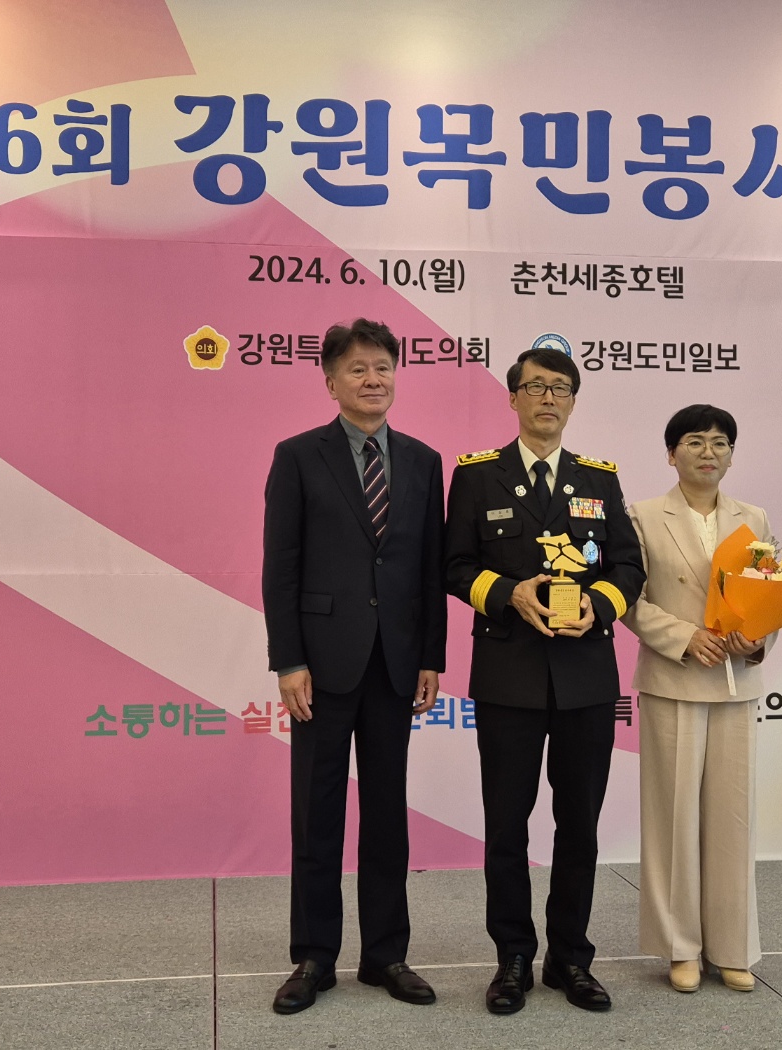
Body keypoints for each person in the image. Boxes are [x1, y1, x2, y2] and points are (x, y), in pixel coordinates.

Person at [445, 347, 645, 1015]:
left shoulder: (599, 479)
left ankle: (570, 958)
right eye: (535, 387)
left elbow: (627, 566)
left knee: (578, 824)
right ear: (513, 398)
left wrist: (600, 606)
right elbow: (454, 565)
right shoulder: (478, 475)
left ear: (573, 401)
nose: (548, 398)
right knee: (506, 825)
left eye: (560, 388)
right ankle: (512, 958)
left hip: (586, 678)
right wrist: (509, 593)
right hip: (508, 676)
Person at [261, 318, 447, 1014]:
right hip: (321, 664)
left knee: (388, 814)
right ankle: (314, 956)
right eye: (358, 370)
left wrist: (431, 656)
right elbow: (280, 568)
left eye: (383, 368)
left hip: (396, 663)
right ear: (331, 382)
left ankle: (386, 954)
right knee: (317, 813)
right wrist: (288, 659)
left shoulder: (424, 460)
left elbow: (430, 569)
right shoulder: (298, 456)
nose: (374, 380)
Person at [622, 404, 775, 994]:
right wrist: (685, 637)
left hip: (736, 684)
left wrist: (756, 639)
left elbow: (772, 593)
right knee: (674, 819)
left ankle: (733, 947)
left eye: (719, 443)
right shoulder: (642, 515)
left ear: (732, 455)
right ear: (671, 454)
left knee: (734, 820)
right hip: (675, 679)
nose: (708, 452)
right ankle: (680, 946)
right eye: (694, 441)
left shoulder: (753, 518)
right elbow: (628, 599)